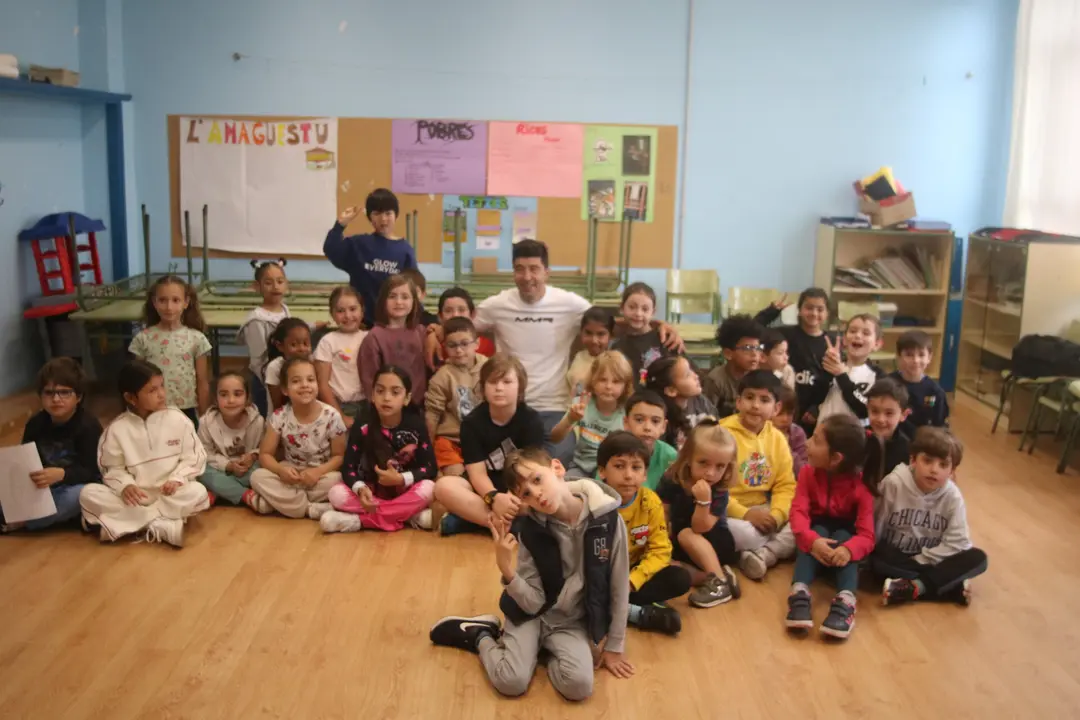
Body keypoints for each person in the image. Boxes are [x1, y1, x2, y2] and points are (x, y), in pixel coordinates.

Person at [425, 240, 681, 465]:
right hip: (510, 406)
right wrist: (433, 332)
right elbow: (461, 330)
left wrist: (660, 325)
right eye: (520, 269)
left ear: (546, 272)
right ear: (513, 272)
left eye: (534, 269)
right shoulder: (497, 305)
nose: (527, 276)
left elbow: (610, 324)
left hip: (554, 408)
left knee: (555, 461)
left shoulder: (568, 304)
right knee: (508, 465)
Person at [429, 448, 633, 701]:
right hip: (530, 614)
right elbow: (534, 602)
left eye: (537, 480)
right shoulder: (532, 530)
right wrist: (507, 570)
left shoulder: (609, 522)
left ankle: (537, 649)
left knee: (579, 686)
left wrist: (614, 645)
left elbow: (619, 586)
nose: (537, 494)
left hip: (570, 622)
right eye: (526, 493)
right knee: (511, 682)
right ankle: (480, 635)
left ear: (557, 468)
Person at [80, 360, 209, 547]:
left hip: (171, 494)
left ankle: (130, 524)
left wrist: (177, 479)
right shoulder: (116, 429)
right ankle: (160, 525)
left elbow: (194, 457)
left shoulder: (179, 419)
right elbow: (111, 468)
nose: (162, 394)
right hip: (135, 499)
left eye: (162, 386)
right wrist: (126, 486)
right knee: (88, 494)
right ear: (131, 398)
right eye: (152, 390)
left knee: (198, 492)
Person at [873, 427, 987, 606]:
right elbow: (875, 526)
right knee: (876, 558)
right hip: (898, 557)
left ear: (952, 471)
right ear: (913, 460)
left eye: (943, 465)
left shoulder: (952, 496)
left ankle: (915, 587)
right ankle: (948, 587)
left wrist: (923, 559)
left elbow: (958, 542)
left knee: (978, 558)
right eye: (927, 461)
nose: (934, 470)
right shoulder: (893, 483)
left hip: (934, 559)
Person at [432, 354, 545, 535]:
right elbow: (476, 474)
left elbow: (533, 470)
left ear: (520, 388)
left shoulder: (531, 420)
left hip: (520, 489)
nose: (499, 388)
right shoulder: (472, 423)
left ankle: (471, 521)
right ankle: (499, 523)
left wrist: (512, 498)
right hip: (484, 491)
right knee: (443, 487)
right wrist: (494, 498)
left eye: (507, 382)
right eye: (492, 382)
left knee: (546, 494)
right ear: (483, 388)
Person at [786, 414, 874, 640]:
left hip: (842, 543)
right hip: (816, 537)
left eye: (815, 440)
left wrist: (848, 550)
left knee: (844, 537)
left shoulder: (862, 486)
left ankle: (846, 601)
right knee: (817, 532)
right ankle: (800, 593)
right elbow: (798, 512)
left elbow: (866, 535)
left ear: (836, 458)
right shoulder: (807, 472)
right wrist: (811, 540)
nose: (807, 444)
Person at [321, 365, 437, 533]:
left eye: (395, 392)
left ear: (406, 398)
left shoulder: (416, 425)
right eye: (380, 391)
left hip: (404, 491)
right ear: (372, 396)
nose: (387, 398)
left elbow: (430, 467)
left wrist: (401, 479)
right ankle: (407, 516)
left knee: (429, 488)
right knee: (335, 493)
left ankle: (358, 521)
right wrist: (360, 489)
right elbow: (348, 468)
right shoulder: (362, 425)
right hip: (370, 494)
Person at [598, 431, 690, 635]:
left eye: (636, 467)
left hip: (633, 574)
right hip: (599, 575)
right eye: (619, 466)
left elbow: (660, 551)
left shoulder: (650, 502)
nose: (629, 475)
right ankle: (637, 614)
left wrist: (633, 581)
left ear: (645, 474)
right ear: (602, 471)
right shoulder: (593, 502)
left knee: (680, 578)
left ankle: (616, 607)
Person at [1, 358, 102, 532]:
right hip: (43, 488)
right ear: (40, 396)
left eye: (64, 393)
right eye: (49, 393)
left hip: (74, 485)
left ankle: (22, 522)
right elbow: (27, 461)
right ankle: (26, 515)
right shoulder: (35, 423)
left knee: (82, 496)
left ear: (78, 397)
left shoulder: (89, 426)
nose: (56, 399)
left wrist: (62, 474)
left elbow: (92, 471)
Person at [720, 370, 797, 581]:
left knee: (801, 523)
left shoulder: (778, 439)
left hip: (765, 510)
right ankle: (769, 549)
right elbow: (713, 488)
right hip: (730, 512)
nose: (755, 405)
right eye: (749, 397)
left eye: (764, 400)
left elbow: (785, 485)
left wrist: (777, 514)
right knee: (742, 533)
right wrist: (746, 514)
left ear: (776, 408)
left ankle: (763, 554)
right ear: (738, 402)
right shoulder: (722, 433)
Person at [248, 357, 347, 518]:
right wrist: (281, 471)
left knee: (339, 480)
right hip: (290, 474)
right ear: (285, 389)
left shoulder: (331, 416)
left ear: (317, 384)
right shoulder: (279, 416)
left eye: (310, 380)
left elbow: (339, 456)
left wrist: (317, 472)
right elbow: (265, 454)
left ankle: (283, 504)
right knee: (257, 476)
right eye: (296, 381)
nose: (305, 385)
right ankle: (308, 508)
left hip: (320, 476)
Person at [657, 421, 741, 608]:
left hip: (713, 542)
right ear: (688, 458)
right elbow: (663, 510)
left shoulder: (719, 491)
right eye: (703, 463)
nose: (710, 473)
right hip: (682, 546)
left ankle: (720, 583)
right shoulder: (673, 478)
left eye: (720, 467)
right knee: (665, 565)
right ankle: (716, 575)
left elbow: (700, 527)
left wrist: (704, 501)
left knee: (687, 534)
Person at [323, 188, 416, 328]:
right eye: (377, 213)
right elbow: (331, 249)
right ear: (370, 217)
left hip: (392, 325)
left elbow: (414, 289)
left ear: (396, 215)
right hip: (360, 324)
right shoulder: (359, 244)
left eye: (388, 213)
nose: (383, 219)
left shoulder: (405, 250)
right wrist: (340, 225)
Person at [128, 275, 211, 424]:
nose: (169, 307)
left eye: (175, 300)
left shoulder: (197, 339)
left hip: (186, 409)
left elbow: (202, 381)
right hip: (153, 409)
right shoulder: (143, 339)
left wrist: (204, 416)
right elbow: (137, 380)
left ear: (186, 302)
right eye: (162, 300)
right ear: (154, 302)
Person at [754, 288, 836, 434]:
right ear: (799, 310)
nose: (814, 313)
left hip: (812, 410)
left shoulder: (831, 342)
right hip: (782, 407)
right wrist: (771, 312)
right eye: (809, 308)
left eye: (820, 309)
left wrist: (818, 406)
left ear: (827, 313)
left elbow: (831, 379)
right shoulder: (785, 334)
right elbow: (752, 330)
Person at [551, 350, 632, 479]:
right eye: (602, 380)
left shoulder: (627, 414)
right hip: (580, 467)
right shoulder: (581, 404)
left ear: (625, 386)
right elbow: (555, 437)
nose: (608, 386)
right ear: (592, 381)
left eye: (616, 381)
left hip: (610, 471)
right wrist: (570, 419)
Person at [425, 316, 487, 477]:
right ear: (445, 346)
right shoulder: (442, 377)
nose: (459, 350)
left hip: (483, 439)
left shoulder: (489, 369)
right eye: (452, 345)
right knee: (456, 476)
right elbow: (432, 415)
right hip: (451, 440)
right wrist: (427, 454)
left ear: (477, 344)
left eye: (465, 344)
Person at [197, 371, 265, 506]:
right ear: (216, 399)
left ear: (247, 398)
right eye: (223, 395)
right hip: (219, 468)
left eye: (238, 394)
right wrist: (228, 466)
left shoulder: (258, 421)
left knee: (263, 471)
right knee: (202, 471)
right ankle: (246, 496)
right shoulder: (206, 422)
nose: (231, 400)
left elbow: (263, 449)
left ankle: (219, 491)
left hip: (247, 470)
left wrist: (251, 457)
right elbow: (204, 453)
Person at [358, 274, 427, 406]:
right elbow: (369, 379)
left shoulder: (422, 332)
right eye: (392, 296)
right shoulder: (374, 337)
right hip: (386, 407)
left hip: (418, 407)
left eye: (405, 297)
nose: (399, 302)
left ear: (414, 301)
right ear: (383, 301)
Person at [236, 259, 290, 416]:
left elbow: (289, 331)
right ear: (256, 286)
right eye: (268, 282)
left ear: (286, 284)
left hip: (283, 375)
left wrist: (313, 326)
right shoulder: (256, 320)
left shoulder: (284, 310)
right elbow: (259, 359)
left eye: (280, 281)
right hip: (264, 380)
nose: (275, 287)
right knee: (265, 416)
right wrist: (272, 382)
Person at [816, 313, 884, 425]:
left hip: (854, 437)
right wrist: (827, 371)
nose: (857, 335)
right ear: (844, 340)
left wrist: (841, 376)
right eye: (852, 331)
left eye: (866, 333)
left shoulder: (878, 376)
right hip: (823, 433)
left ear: (877, 344)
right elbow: (815, 397)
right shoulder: (831, 366)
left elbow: (864, 410)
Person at [314, 286, 368, 428]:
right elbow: (322, 385)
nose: (348, 316)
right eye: (340, 311)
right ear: (332, 314)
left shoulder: (369, 337)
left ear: (362, 311)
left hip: (368, 406)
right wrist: (340, 416)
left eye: (352, 309)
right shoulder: (328, 341)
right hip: (339, 406)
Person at [644, 356, 717, 447]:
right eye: (687, 375)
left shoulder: (700, 401)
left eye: (691, 370)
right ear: (671, 391)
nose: (696, 376)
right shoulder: (662, 417)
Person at [611, 282, 673, 387]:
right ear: (622, 308)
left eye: (645, 309)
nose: (638, 314)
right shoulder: (617, 347)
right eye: (632, 307)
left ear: (653, 312)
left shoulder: (665, 340)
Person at [890, 330, 949, 438]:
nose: (916, 360)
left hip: (922, 442)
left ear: (929, 358)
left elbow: (939, 426)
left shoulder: (935, 392)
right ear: (898, 356)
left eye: (921, 355)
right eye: (909, 355)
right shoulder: (888, 384)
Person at [705, 314, 766, 417]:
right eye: (747, 348)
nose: (755, 354)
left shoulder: (761, 377)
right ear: (728, 353)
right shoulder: (716, 380)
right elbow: (707, 418)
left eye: (758, 347)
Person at [862, 378, 913, 492]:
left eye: (889, 413)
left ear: (904, 415)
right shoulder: (858, 440)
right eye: (874, 411)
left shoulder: (907, 449)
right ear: (867, 409)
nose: (881, 419)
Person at [622, 390, 678, 490]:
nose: (647, 427)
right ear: (626, 422)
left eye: (655, 421)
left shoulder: (671, 456)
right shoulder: (613, 452)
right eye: (639, 420)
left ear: (664, 427)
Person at [263, 318, 312, 412]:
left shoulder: (311, 364)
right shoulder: (275, 367)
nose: (301, 348)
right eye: (294, 345)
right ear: (280, 346)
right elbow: (278, 405)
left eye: (306, 344)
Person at [566, 307, 614, 399]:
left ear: (611, 336)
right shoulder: (579, 356)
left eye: (601, 334)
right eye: (588, 333)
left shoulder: (612, 362)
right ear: (581, 332)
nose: (594, 340)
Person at [436, 287, 495, 357]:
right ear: (440, 316)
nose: (455, 315)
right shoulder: (435, 344)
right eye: (448, 311)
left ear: (472, 314)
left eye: (461, 310)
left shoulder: (486, 346)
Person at [773, 384, 808, 478]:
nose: (785, 419)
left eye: (789, 414)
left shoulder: (797, 433)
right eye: (779, 414)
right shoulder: (757, 431)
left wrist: (785, 448)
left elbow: (803, 472)